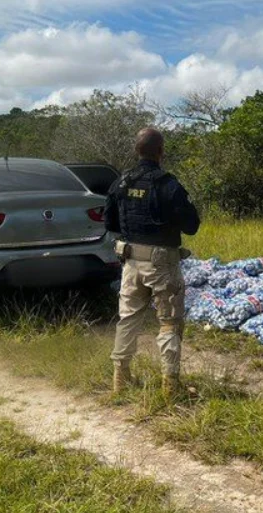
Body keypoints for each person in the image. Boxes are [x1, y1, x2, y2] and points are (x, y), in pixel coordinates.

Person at [104, 127, 201, 395]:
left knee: (128, 319)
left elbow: (110, 222)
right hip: (162, 264)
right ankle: (170, 386)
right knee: (169, 322)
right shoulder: (167, 184)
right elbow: (192, 225)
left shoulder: (121, 183)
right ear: (161, 151)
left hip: (130, 263)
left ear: (136, 151)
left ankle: (120, 381)